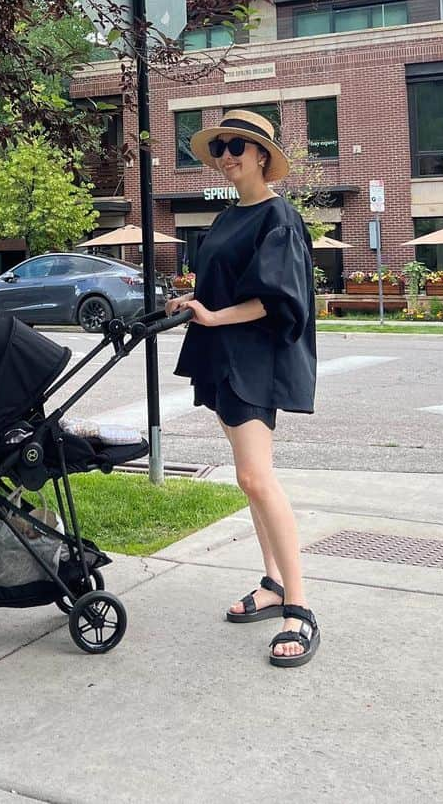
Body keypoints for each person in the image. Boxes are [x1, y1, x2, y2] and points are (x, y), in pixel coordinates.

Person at [166, 109, 319, 669]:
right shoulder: (228, 217)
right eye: (221, 147)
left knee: (258, 476)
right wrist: (192, 305)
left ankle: (299, 607)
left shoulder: (278, 217)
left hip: (256, 359)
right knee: (247, 478)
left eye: (238, 146)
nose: (227, 155)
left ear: (262, 156)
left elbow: (277, 301)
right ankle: (273, 582)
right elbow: (219, 288)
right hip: (224, 356)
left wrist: (213, 317)